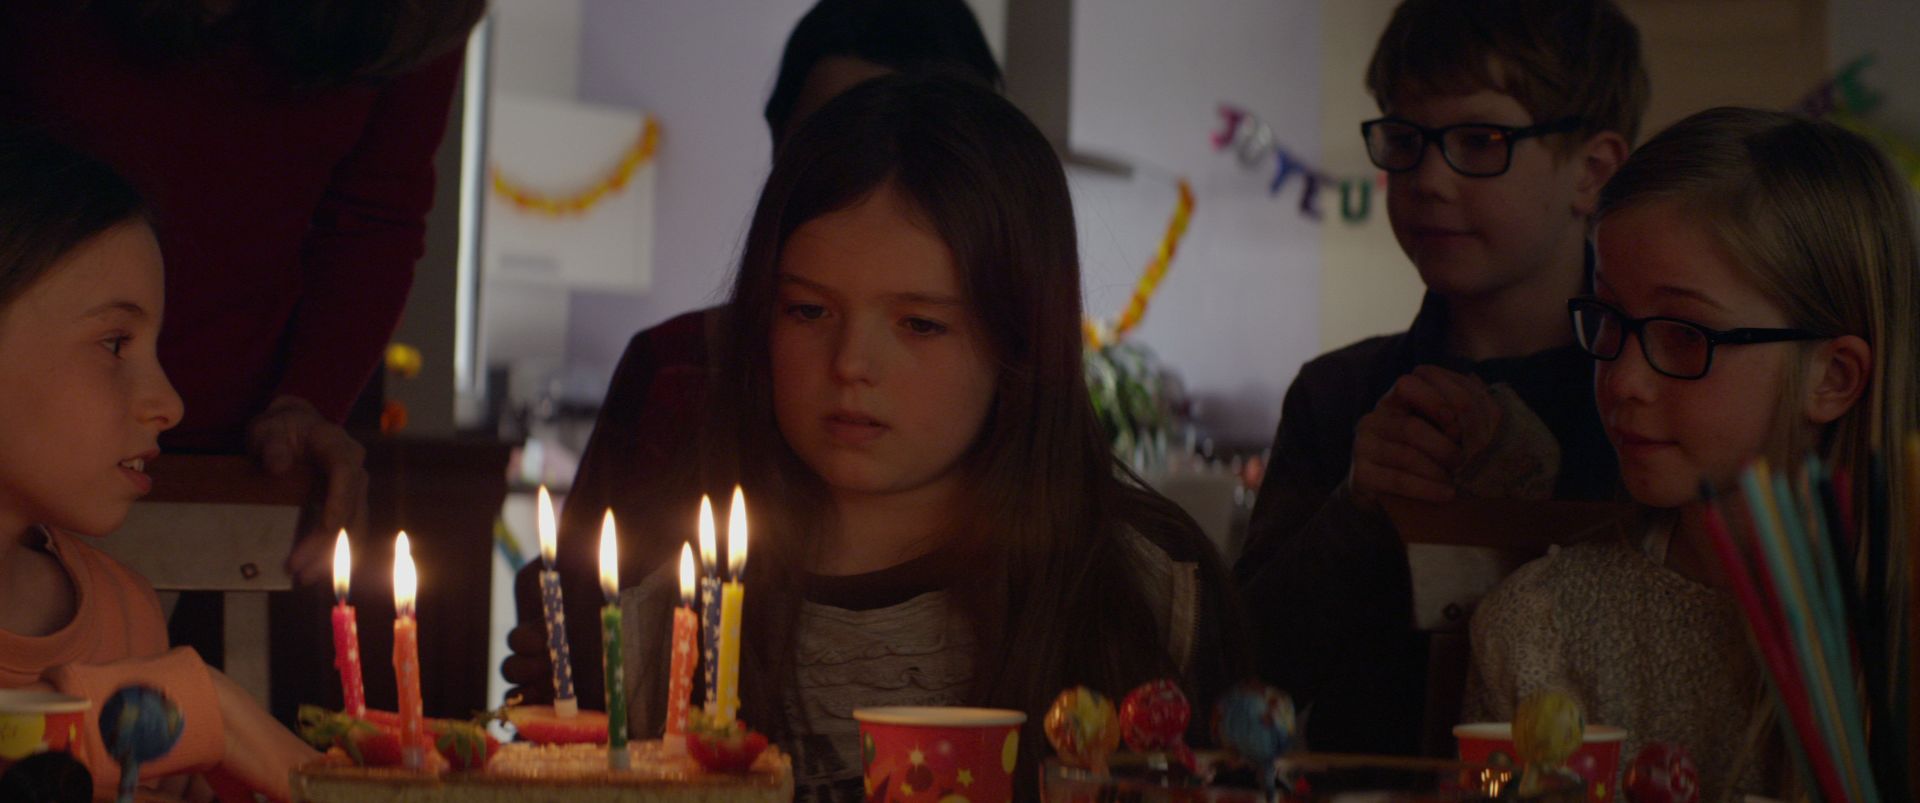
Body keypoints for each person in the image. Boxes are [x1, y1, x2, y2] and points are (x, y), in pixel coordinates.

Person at [606, 73, 1244, 803]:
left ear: (1019, 341)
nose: (851, 364)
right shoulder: (668, 603)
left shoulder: (1144, 591)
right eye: (809, 311)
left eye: (920, 324)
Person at [504, 0, 1004, 709]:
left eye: (920, 323)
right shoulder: (678, 365)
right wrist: (575, 646)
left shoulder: (1088, 575)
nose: (852, 363)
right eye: (832, 142)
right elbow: (579, 601)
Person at [1465, 107, 1918, 800]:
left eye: (1685, 333)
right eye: (1610, 319)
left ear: (1833, 377)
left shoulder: (1899, 633)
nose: (1622, 380)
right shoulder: (1540, 629)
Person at [1234, 0, 1646, 755]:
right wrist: (1356, 509)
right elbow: (1245, 677)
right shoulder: (1337, 396)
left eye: (1479, 140)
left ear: (1593, 172)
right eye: (1404, 139)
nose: (1426, 178)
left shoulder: (1646, 403)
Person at [0, 0, 483, 583]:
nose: (169, 403)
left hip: (242, 460)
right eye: (117, 342)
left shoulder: (407, 18)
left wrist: (308, 398)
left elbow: (377, 215)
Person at [0, 128, 317, 802]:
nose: (169, 403)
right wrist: (200, 713)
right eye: (115, 343)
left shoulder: (125, 618)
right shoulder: (167, 692)